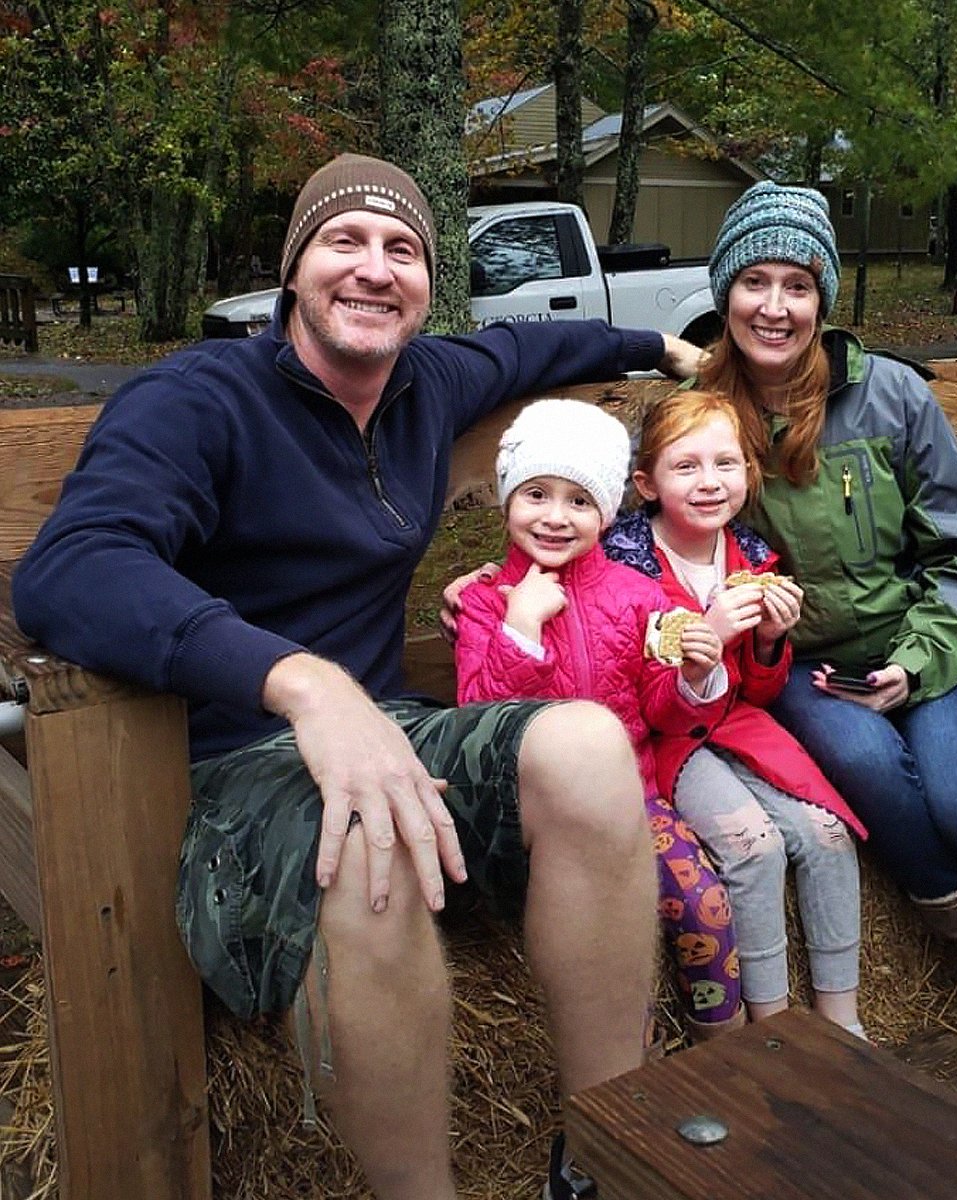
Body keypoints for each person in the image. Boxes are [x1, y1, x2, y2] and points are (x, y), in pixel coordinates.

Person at [11, 153, 704, 1200]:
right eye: (344, 241)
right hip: (228, 765)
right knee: (370, 854)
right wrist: (299, 681)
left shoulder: (432, 382)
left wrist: (657, 345)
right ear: (294, 271)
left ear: (428, 284)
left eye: (403, 250)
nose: (374, 269)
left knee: (585, 743)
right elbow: (73, 570)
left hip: (390, 722)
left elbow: (533, 345)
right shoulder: (200, 402)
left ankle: (602, 1155)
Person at [699, 181, 957, 1080]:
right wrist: (503, 577)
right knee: (867, 773)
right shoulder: (704, 414)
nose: (775, 307)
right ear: (722, 289)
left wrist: (917, 659)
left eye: (799, 284)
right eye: (755, 282)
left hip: (918, 639)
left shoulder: (888, 395)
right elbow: (634, 532)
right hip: (803, 666)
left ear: (824, 298)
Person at [450, 398, 750, 1039]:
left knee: (703, 903)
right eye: (536, 494)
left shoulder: (637, 596)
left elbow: (659, 712)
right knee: (597, 940)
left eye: (579, 501)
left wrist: (695, 676)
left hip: (634, 799)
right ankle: (622, 1060)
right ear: (506, 500)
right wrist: (521, 626)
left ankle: (721, 1045)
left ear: (606, 512)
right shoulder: (483, 604)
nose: (556, 517)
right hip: (536, 817)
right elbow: (480, 721)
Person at [601, 387, 869, 1038]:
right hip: (669, 739)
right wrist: (710, 632)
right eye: (685, 467)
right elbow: (648, 701)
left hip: (736, 727)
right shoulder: (625, 568)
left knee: (829, 834)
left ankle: (843, 1021)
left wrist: (773, 642)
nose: (709, 482)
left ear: (750, 474)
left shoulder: (751, 558)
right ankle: (770, 1030)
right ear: (647, 482)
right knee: (755, 846)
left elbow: (757, 691)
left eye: (726, 464)